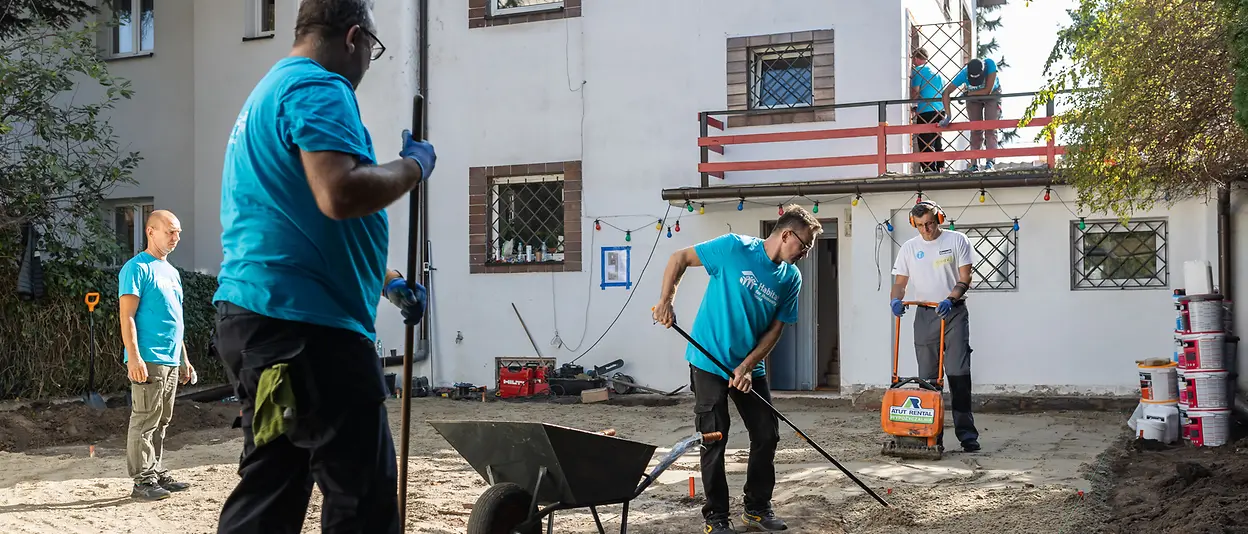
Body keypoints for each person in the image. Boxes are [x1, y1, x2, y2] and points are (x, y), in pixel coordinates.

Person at [212, 0, 436, 532]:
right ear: (354, 37)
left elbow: (297, 225)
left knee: (273, 484)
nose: (367, 65)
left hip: (261, 324)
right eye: (373, 50)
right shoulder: (319, 86)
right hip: (309, 334)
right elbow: (338, 195)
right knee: (364, 500)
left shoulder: (268, 92)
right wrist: (412, 167)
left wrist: (388, 282)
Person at [652, 205, 822, 534]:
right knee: (714, 436)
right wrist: (666, 300)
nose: (805, 253)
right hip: (708, 360)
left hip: (747, 367)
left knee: (766, 434)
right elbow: (679, 258)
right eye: (805, 245)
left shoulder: (791, 278)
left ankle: (757, 509)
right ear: (787, 234)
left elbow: (776, 328)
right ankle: (716, 517)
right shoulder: (733, 247)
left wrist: (748, 366)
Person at [889, 201, 981, 453]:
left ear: (939, 218)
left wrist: (951, 299)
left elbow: (966, 278)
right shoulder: (909, 248)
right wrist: (895, 299)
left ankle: (967, 435)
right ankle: (931, 436)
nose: (926, 229)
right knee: (929, 380)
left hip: (953, 313)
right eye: (920, 226)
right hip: (924, 314)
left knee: (958, 373)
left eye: (930, 223)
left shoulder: (956, 240)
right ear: (914, 225)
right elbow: (900, 282)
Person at [120, 209, 194, 501]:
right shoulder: (137, 268)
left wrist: (184, 359)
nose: (176, 237)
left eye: (178, 232)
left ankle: (156, 470)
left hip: (171, 360)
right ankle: (142, 481)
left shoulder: (172, 272)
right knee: (144, 419)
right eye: (170, 231)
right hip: (148, 358)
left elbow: (175, 320)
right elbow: (127, 316)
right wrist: (134, 357)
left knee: (162, 420)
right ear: (150, 231)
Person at [939, 57, 1002, 171]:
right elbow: (946, 92)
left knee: (990, 128)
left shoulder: (990, 65)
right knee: (975, 129)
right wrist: (948, 115)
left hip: (992, 95)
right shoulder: (964, 73)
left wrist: (968, 93)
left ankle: (990, 163)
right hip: (972, 97)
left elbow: (987, 90)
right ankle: (974, 164)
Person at [910, 47, 946, 173]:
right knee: (937, 140)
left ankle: (929, 170)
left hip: (926, 110)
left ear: (915, 58)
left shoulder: (918, 71)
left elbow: (915, 91)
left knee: (925, 141)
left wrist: (912, 105)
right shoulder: (937, 72)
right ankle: (941, 167)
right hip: (940, 110)